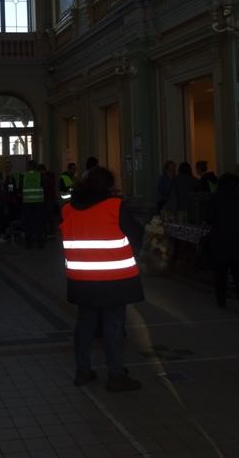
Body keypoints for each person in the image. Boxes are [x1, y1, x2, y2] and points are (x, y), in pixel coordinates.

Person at [59, 166, 144, 391]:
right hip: (114, 280)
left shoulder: (68, 209)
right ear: (108, 185)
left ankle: (83, 372)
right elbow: (137, 235)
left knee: (84, 325)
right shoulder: (114, 206)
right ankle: (116, 376)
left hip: (81, 279)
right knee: (113, 326)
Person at [206, 173, 239, 315]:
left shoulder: (216, 197)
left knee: (221, 272)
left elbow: (209, 218)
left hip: (221, 240)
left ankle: (221, 300)